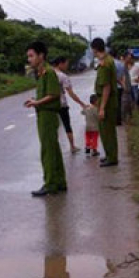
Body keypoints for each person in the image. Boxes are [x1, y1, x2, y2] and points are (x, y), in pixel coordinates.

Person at [24, 41, 66, 196]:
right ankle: (59, 181)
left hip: (48, 115)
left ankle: (50, 183)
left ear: (41, 56)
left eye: (32, 56)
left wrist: (36, 102)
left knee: (48, 150)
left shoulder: (48, 72)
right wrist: (35, 101)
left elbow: (54, 94)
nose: (29, 59)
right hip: (43, 114)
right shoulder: (41, 73)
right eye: (28, 56)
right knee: (53, 149)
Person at [91, 38, 118, 167]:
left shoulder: (105, 64)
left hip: (106, 100)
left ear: (95, 49)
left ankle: (112, 158)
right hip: (107, 99)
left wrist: (102, 108)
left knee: (107, 131)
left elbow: (106, 87)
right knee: (105, 130)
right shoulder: (108, 60)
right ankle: (109, 155)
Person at [51, 56, 86, 153]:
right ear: (60, 63)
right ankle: (72, 146)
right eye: (66, 63)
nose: (67, 65)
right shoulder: (62, 76)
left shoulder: (49, 74)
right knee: (67, 125)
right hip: (62, 104)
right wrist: (81, 103)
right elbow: (71, 93)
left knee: (53, 127)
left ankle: (53, 148)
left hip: (51, 105)